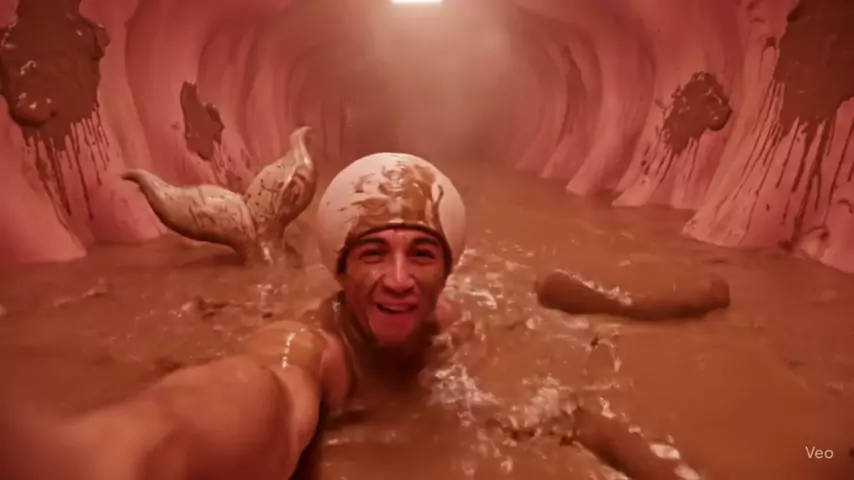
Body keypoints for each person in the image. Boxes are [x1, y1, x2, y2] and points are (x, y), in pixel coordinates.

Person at [0, 152, 468, 480]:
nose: (399, 280)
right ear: (341, 272)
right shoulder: (315, 347)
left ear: (447, 270)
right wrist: (112, 458)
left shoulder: (448, 322)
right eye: (373, 253)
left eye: (422, 254)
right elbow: (266, 392)